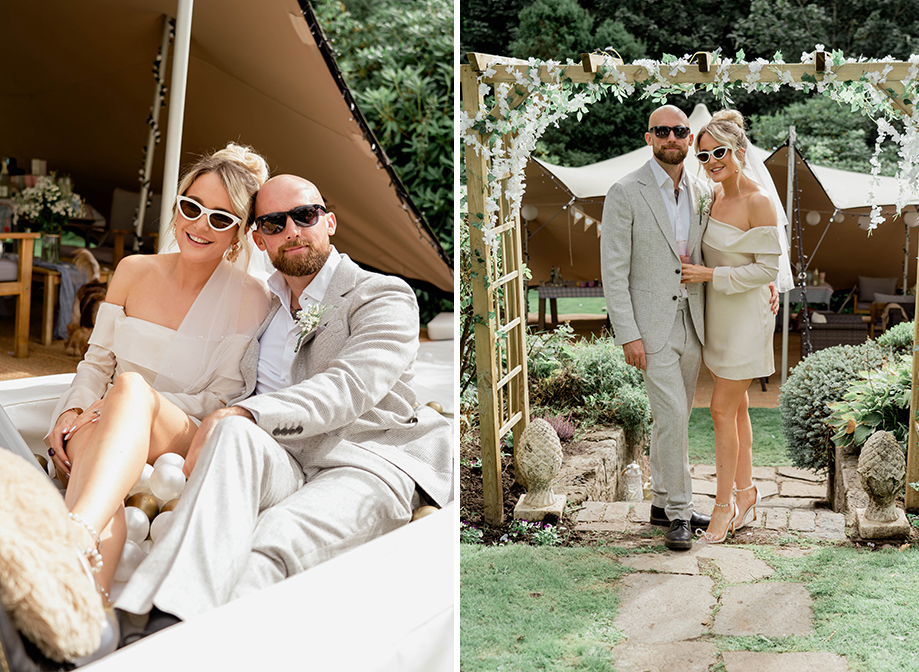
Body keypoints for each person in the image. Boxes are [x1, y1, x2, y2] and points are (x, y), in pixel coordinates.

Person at [113, 174, 453, 638]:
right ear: (258, 237)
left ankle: (160, 630)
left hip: (363, 461)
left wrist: (248, 413)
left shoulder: (381, 295)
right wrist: (138, 405)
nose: (291, 230)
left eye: (305, 215)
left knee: (272, 538)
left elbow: (349, 386)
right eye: (274, 222)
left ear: (329, 221)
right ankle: (149, 625)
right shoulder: (264, 304)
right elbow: (227, 392)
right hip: (280, 460)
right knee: (232, 433)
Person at [0, 143, 271, 663]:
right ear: (177, 205)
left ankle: (69, 537)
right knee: (104, 474)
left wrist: (134, 400)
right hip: (104, 416)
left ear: (238, 231)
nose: (200, 224)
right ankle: (84, 628)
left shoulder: (250, 298)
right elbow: (95, 364)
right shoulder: (131, 269)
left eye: (220, 217)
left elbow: (223, 397)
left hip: (181, 427)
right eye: (191, 207)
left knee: (129, 391)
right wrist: (73, 410)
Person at [600, 105, 714, 551]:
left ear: (690, 138)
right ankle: (681, 515)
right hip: (650, 327)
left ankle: (662, 503)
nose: (671, 137)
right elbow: (613, 270)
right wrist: (627, 332)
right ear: (649, 137)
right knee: (671, 416)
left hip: (694, 321)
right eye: (662, 130)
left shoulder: (703, 191)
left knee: (677, 418)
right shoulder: (625, 191)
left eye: (680, 131)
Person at [680, 109, 793, 544]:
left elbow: (767, 270)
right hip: (717, 319)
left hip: (746, 318)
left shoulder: (759, 201)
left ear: (740, 152)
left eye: (719, 152)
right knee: (740, 407)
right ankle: (747, 492)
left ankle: (723, 505)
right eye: (703, 155)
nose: (710, 162)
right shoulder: (712, 196)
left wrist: (711, 277)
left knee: (721, 409)